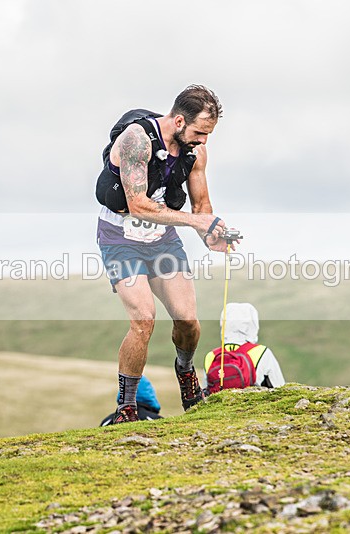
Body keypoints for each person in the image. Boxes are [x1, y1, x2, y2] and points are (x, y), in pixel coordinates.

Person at [95, 85, 233, 424]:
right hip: (120, 237)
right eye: (199, 132)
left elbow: (201, 205)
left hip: (162, 238)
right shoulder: (136, 140)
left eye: (208, 134)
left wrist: (210, 233)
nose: (203, 140)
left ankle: (185, 374)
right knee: (143, 319)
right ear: (180, 121)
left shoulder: (196, 151)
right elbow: (138, 205)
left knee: (188, 321)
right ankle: (127, 406)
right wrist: (195, 221)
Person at [203, 303, 286, 392]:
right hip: (254, 400)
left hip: (219, 401)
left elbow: (207, 391)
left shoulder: (211, 356)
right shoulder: (262, 352)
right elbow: (280, 387)